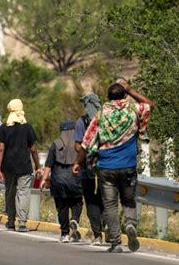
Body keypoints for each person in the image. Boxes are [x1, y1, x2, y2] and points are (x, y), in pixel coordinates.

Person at [73, 78, 155, 253]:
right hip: (128, 166)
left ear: (108, 97)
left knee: (110, 205)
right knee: (128, 200)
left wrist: (77, 163)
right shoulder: (133, 110)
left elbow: (87, 142)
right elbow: (150, 104)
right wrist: (131, 90)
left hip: (106, 167)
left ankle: (116, 242)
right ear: (124, 95)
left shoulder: (101, 114)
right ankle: (131, 225)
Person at [0, 99, 41, 232]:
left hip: (8, 167)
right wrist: (38, 166)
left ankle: (10, 221)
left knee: (10, 193)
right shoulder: (28, 128)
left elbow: (1, 149)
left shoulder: (4, 128)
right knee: (23, 193)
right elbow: (33, 149)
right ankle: (22, 223)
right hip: (24, 167)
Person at [40, 120, 83, 243]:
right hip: (74, 177)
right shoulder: (78, 145)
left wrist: (44, 179)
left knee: (62, 206)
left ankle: (65, 233)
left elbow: (49, 164)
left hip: (58, 179)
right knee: (77, 202)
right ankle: (74, 219)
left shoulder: (56, 144)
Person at [74, 93, 105, 245]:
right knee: (107, 199)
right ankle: (110, 230)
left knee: (91, 202)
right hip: (107, 166)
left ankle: (98, 235)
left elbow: (78, 146)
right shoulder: (107, 118)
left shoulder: (82, 121)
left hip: (88, 169)